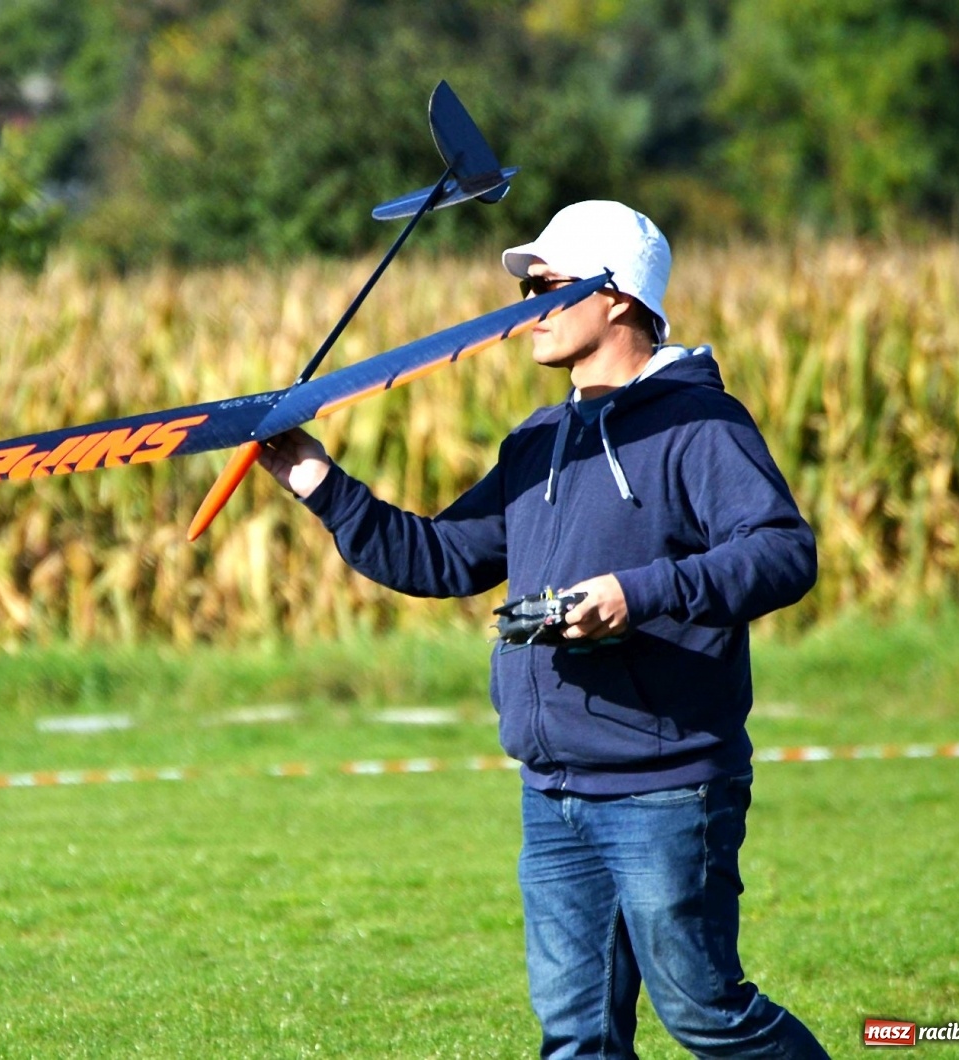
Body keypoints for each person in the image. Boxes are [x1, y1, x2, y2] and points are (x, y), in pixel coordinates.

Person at [257, 200, 829, 1059]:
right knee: (574, 1038)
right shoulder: (537, 441)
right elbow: (441, 559)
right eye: (527, 287)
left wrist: (637, 594)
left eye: (547, 286)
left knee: (707, 1016)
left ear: (621, 299)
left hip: (665, 785)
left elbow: (784, 552)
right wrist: (316, 480)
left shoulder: (700, 425)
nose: (526, 306)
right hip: (553, 792)